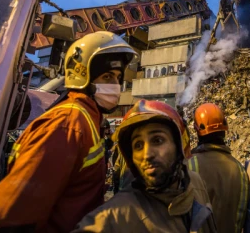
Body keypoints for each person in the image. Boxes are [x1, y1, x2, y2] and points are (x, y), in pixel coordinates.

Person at [0, 31, 138, 233]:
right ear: (82, 74)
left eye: (117, 78)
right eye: (107, 76)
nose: (115, 86)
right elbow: (15, 215)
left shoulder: (87, 120)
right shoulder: (68, 124)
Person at [74, 100, 217, 233]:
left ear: (179, 147)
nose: (147, 154)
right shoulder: (115, 217)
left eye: (157, 140)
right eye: (138, 145)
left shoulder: (195, 184)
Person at [188, 103, 250, 233]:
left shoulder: (190, 165)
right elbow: (241, 218)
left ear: (197, 130)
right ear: (224, 130)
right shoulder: (240, 170)